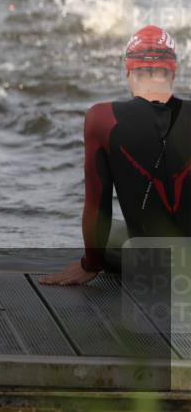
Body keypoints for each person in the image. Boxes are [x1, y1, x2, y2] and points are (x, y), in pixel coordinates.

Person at [40, 25, 189, 286]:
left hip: (153, 265)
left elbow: (97, 208)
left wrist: (90, 264)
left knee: (109, 235)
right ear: (173, 71)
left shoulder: (102, 118)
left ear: (129, 71)